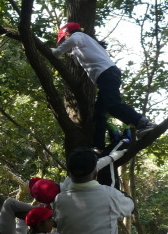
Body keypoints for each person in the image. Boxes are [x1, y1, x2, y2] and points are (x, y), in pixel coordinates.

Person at [52, 21, 156, 152]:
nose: (63, 43)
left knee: (113, 106)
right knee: (99, 113)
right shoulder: (83, 46)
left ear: (68, 34)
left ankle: (144, 123)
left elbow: (71, 42)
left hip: (107, 74)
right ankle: (98, 147)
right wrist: (55, 51)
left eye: (63, 39)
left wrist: (57, 52)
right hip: (106, 76)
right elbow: (72, 54)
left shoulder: (79, 36)